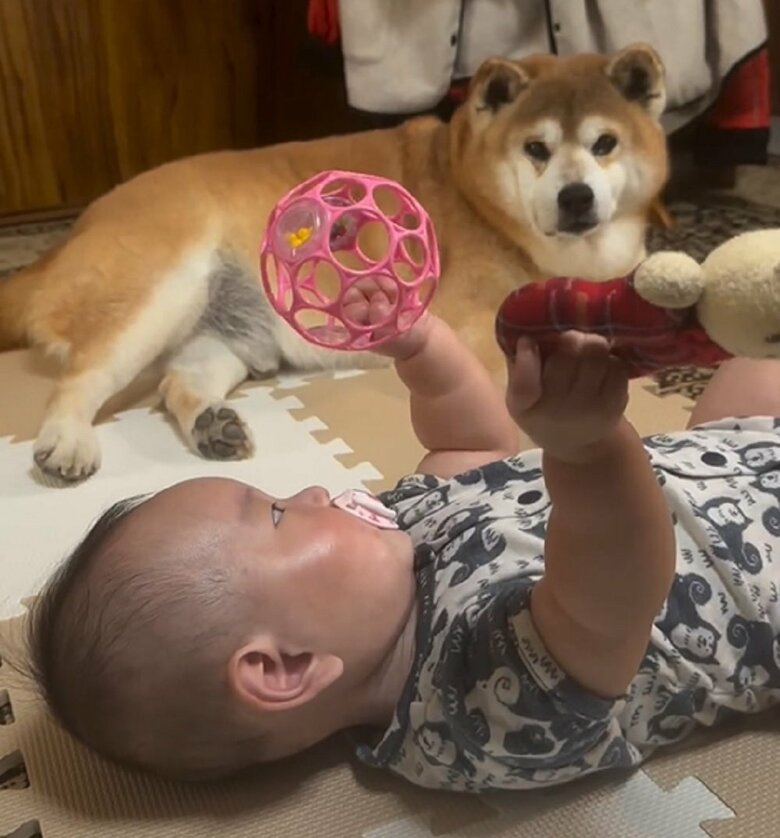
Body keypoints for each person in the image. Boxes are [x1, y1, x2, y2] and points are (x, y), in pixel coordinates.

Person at [24, 285, 780, 790]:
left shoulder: (393, 553)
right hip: (763, 567)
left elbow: (473, 449)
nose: (315, 489)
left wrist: (421, 350)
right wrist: (587, 447)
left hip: (714, 453)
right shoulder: (479, 706)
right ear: (286, 668)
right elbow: (616, 588)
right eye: (281, 514)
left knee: (754, 343)